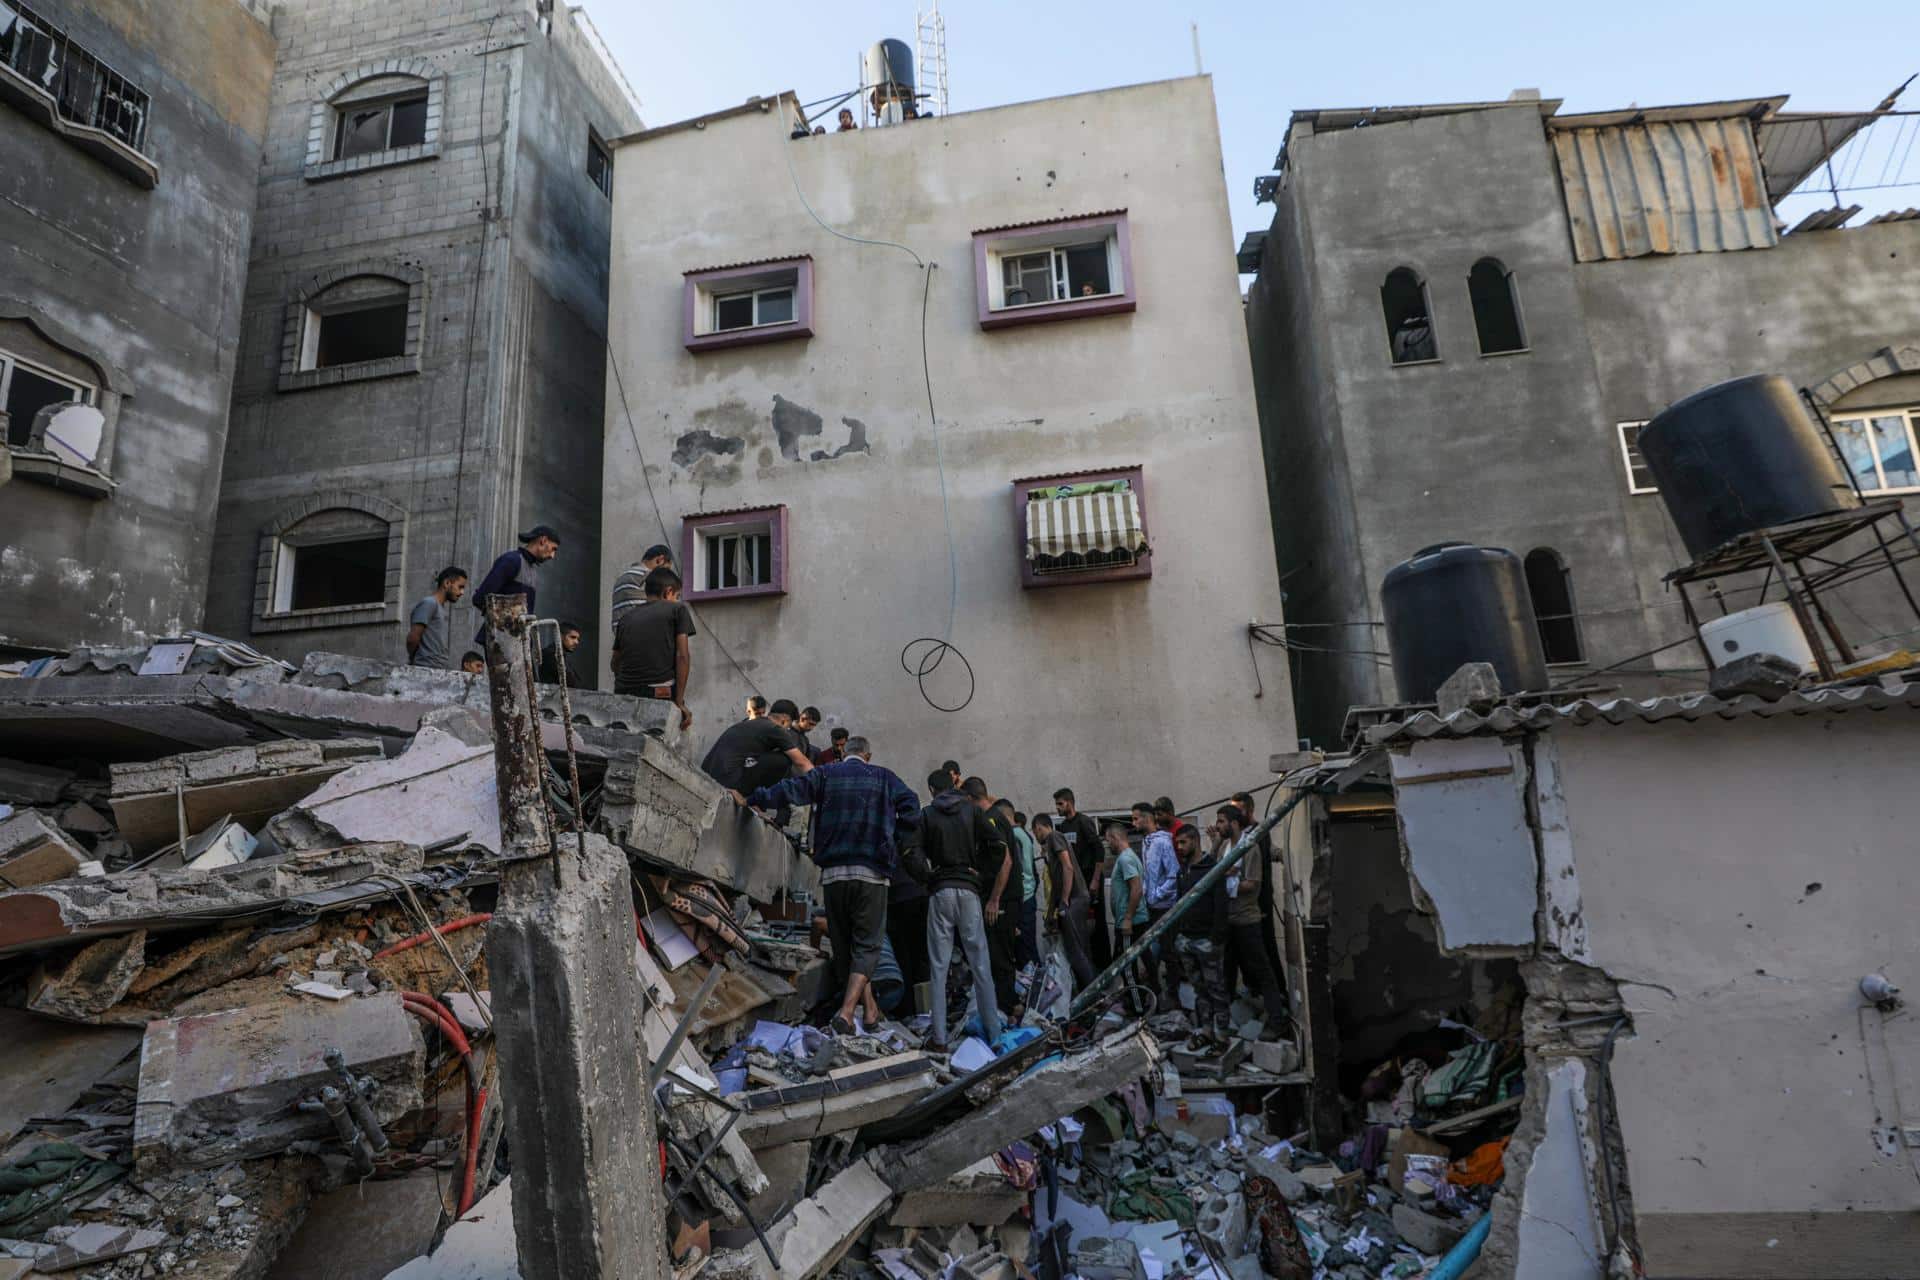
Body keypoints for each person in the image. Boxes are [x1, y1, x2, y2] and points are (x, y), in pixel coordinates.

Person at [746, 736, 919, 1036]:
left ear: (844, 752)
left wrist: (754, 797)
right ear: (868, 754)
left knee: (844, 944)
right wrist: (892, 837)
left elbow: (790, 791)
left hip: (834, 874)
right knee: (867, 944)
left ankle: (871, 1013)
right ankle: (848, 1011)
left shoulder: (826, 774)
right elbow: (912, 807)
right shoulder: (885, 778)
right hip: (871, 874)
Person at [912, 768, 1006, 1050]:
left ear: (931, 789)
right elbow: (998, 846)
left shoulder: (927, 814)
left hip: (940, 891)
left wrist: (928, 878)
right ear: (953, 784)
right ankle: (995, 1035)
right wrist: (981, 875)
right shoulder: (973, 812)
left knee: (939, 968)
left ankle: (939, 1038)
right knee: (981, 964)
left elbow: (909, 850)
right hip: (968, 892)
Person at [1214, 804, 1288, 1035]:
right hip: (1229, 920)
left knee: (1262, 971)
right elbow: (1215, 874)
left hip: (1247, 919)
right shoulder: (1225, 848)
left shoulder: (1249, 847)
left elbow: (1252, 884)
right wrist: (1226, 875)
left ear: (1235, 823)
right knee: (1226, 972)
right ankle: (1224, 1024)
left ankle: (1277, 1021)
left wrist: (1228, 879)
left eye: (1222, 821)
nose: (1218, 826)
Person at [1165, 823, 1229, 1039]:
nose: (1179, 847)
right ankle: (1206, 1031)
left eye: (1183, 842)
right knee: (1199, 991)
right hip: (1187, 940)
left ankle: (1221, 1036)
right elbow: (1179, 904)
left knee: (1216, 990)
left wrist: (1215, 938)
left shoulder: (1212, 868)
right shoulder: (1183, 871)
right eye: (1177, 843)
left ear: (1195, 840)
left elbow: (1222, 906)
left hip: (1207, 941)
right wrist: (1178, 937)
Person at [611, 567, 695, 729]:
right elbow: (682, 657)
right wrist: (679, 702)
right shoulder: (677, 610)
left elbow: (615, 663)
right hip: (659, 693)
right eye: (677, 596)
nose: (677, 600)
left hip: (623, 693)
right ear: (668, 592)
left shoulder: (626, 619)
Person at [964, 779, 1020, 1014]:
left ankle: (1009, 1009)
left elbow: (1005, 861)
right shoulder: (995, 816)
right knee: (997, 955)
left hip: (1002, 901)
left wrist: (994, 899)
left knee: (999, 957)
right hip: (1002, 899)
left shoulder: (991, 820)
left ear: (969, 799)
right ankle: (1006, 1007)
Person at [705, 698, 813, 798]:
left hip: (709, 770)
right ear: (784, 720)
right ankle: (751, 799)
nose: (788, 729)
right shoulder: (775, 729)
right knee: (783, 760)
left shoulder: (752, 722)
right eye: (789, 725)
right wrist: (821, 780)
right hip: (728, 780)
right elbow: (801, 762)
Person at [1033, 813, 1094, 988]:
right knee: (1076, 950)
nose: (1036, 838)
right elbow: (1055, 886)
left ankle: (1091, 993)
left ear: (1038, 827)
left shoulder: (1054, 836)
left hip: (1074, 899)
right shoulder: (1050, 850)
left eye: (1035, 833)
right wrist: (1051, 913)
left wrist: (1065, 900)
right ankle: (1087, 991)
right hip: (1069, 900)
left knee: (1077, 951)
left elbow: (1068, 867)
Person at [471, 526, 557, 641]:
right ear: (543, 541)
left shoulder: (532, 571)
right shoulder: (512, 560)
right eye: (553, 549)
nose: (552, 556)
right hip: (501, 641)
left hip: (518, 642)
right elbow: (480, 598)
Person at [1052, 788, 1107, 969]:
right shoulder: (1063, 827)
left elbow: (1099, 851)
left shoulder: (1084, 822)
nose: (1057, 808)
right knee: (1080, 925)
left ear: (1069, 802)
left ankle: (1103, 965)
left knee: (1097, 924)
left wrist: (1096, 880)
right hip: (1076, 883)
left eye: (1060, 803)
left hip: (1090, 879)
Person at [1234, 789, 1285, 979]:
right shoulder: (1237, 834)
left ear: (1250, 810)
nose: (1235, 816)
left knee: (1266, 947)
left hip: (1259, 900)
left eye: (1239, 810)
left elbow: (1267, 854)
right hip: (1240, 906)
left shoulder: (1259, 832)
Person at [1136, 802, 1180, 997]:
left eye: (1136, 818)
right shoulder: (1147, 843)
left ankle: (1174, 994)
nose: (1134, 822)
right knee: (1153, 950)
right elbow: (1148, 875)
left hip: (1165, 907)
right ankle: (1156, 992)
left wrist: (1157, 894)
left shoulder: (1163, 842)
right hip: (1151, 907)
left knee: (1169, 952)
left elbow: (1174, 874)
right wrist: (1146, 894)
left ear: (1147, 818)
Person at [1104, 822, 1149, 1007]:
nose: (1108, 845)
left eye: (1108, 841)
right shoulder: (1127, 858)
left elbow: (1136, 889)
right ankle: (1133, 1002)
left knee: (1127, 967)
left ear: (1115, 838)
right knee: (1123, 963)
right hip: (1127, 921)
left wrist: (1128, 919)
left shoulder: (1126, 859)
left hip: (1130, 923)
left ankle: (1137, 1008)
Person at [405, 566, 467, 670]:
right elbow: (413, 638)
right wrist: (415, 661)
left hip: (439, 670)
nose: (462, 592)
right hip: (425, 669)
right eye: (460, 587)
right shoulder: (429, 603)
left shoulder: (441, 609)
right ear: (447, 583)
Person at [610, 543, 674, 633]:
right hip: (639, 632)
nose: (664, 575)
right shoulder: (649, 576)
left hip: (620, 636)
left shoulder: (622, 577)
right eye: (665, 570)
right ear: (660, 560)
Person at [1010, 809, 1040, 972]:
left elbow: (1017, 870)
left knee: (1025, 947)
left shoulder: (1015, 836)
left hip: (1023, 897)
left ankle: (1036, 987)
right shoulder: (1024, 836)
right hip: (1027, 895)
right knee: (1028, 945)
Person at [537, 621, 584, 688]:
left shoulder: (558, 653)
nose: (577, 642)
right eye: (572, 637)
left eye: (577, 639)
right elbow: (571, 682)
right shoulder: (552, 654)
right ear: (560, 636)